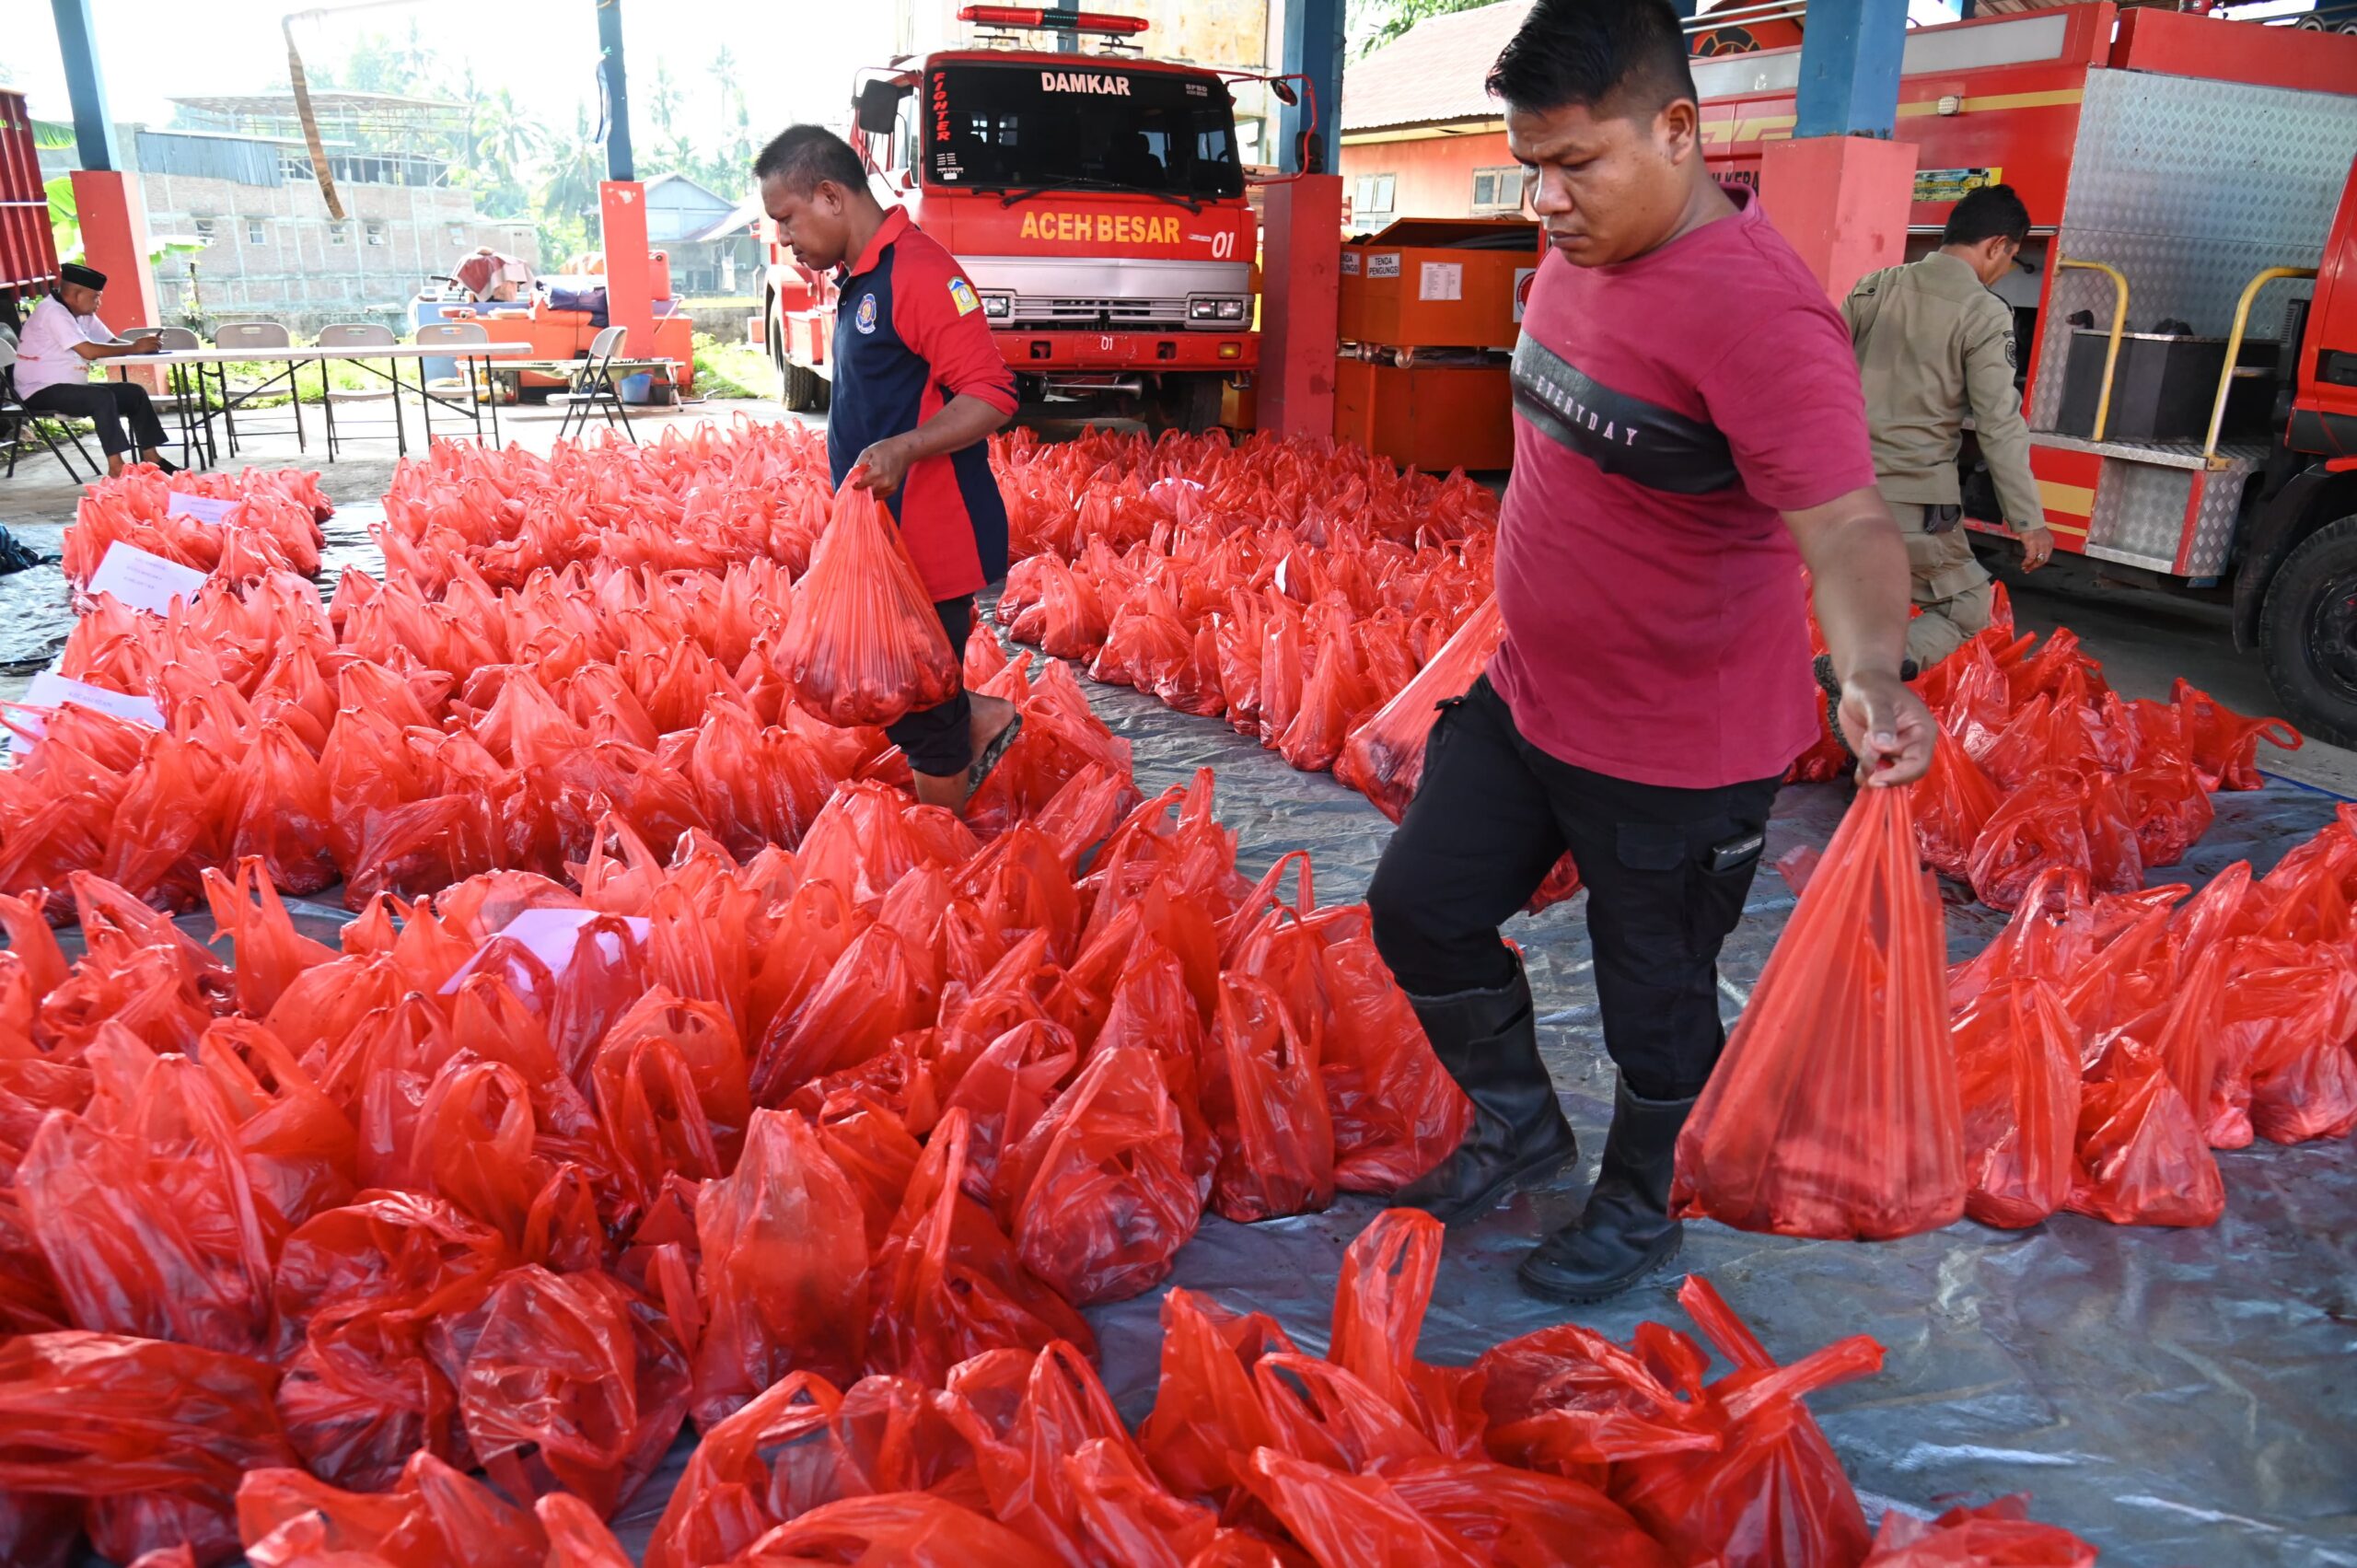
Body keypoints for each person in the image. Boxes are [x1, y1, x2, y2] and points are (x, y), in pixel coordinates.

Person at [1363, 0, 1934, 1304]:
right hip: (1531, 699)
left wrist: (1869, 671)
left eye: (1576, 164)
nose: (1547, 200)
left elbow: (1849, 522)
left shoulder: (1760, 319)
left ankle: (1638, 1201)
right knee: (1419, 909)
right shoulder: (1580, 247)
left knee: (1655, 1002)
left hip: (1678, 755)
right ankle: (1520, 1124)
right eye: (1530, 165)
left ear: (1678, 130)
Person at [755, 125, 1025, 810]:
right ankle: (976, 716)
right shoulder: (862, 278)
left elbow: (992, 394)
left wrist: (904, 448)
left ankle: (942, 849)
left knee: (920, 708)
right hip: (882, 536)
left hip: (934, 536)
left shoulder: (920, 272)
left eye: (787, 218)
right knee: (885, 683)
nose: (784, 238)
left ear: (830, 196)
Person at [1839, 183, 2054, 680]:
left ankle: (1850, 701)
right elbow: (1999, 424)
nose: (2006, 268)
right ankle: (1864, 676)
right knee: (1966, 608)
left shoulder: (1874, 287)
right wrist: (2028, 520)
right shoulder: (1984, 312)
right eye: (2012, 257)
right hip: (1913, 498)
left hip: (1839, 489)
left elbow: (1817, 373)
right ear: (1997, 245)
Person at [11, 262, 174, 477]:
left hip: (70, 388)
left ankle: (152, 458)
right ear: (76, 295)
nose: (99, 302)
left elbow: (110, 342)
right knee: (101, 397)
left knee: (134, 393)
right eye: (96, 297)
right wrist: (134, 347)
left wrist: (143, 346)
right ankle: (117, 467)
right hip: (38, 391)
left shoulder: (82, 313)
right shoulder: (53, 311)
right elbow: (89, 351)